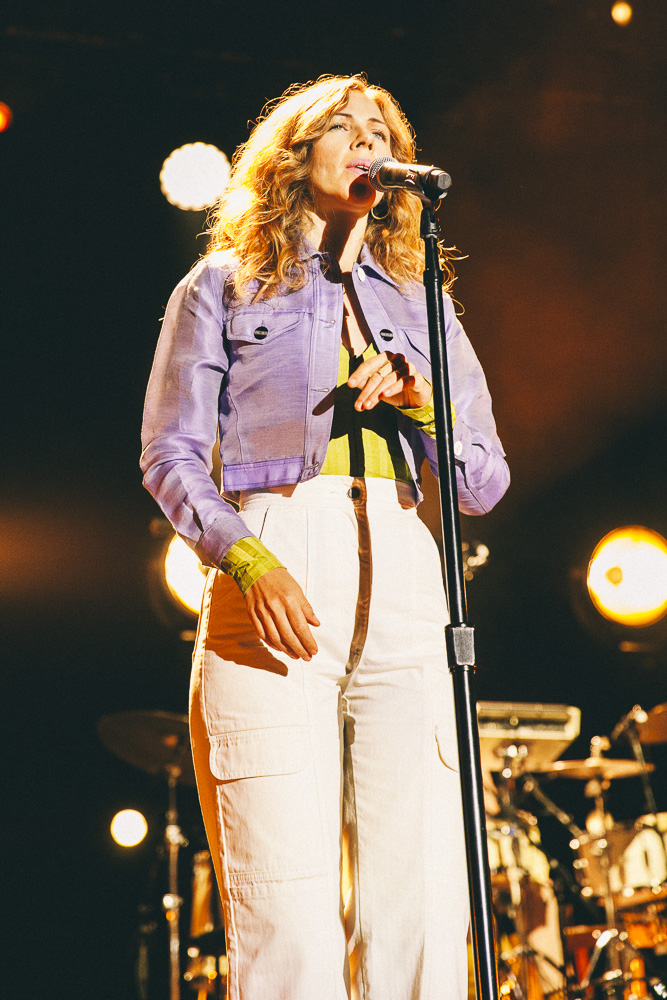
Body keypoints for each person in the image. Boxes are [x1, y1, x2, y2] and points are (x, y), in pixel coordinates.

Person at [141, 73, 509, 1000]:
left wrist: (425, 407)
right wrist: (247, 558)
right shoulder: (221, 285)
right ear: (294, 156)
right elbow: (171, 454)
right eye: (341, 126)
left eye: (380, 128)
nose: (366, 139)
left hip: (403, 568)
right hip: (275, 557)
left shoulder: (424, 306)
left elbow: (483, 481)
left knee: (422, 905)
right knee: (286, 909)